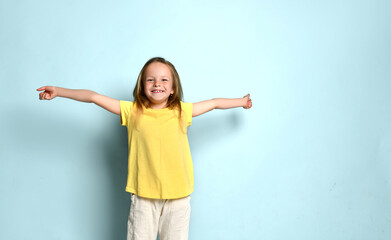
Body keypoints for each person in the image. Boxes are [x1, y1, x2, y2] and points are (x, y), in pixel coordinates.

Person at [37, 57, 252, 240]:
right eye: (151, 79)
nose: (157, 83)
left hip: (177, 197)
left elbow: (214, 103)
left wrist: (241, 102)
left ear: (173, 88)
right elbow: (93, 97)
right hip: (143, 197)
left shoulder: (181, 111)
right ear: (142, 86)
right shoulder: (132, 111)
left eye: (163, 80)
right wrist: (59, 91)